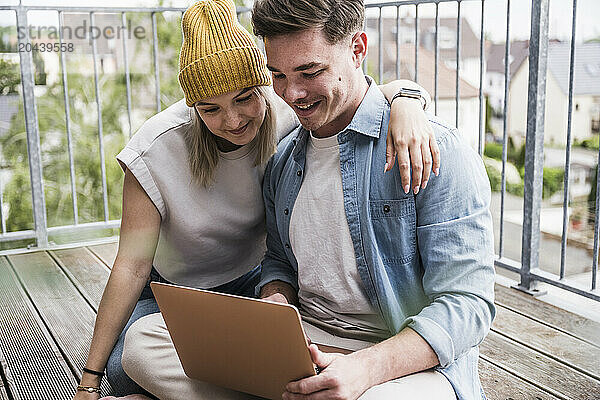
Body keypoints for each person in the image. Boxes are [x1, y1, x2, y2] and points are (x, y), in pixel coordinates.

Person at [119, 0, 494, 400]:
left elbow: (467, 304)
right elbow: (279, 260)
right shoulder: (283, 159)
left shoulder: (432, 148)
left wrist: (363, 369)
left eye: (309, 72)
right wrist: (275, 301)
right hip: (308, 344)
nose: (292, 94)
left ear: (357, 49)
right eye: (276, 75)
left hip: (398, 359)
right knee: (144, 342)